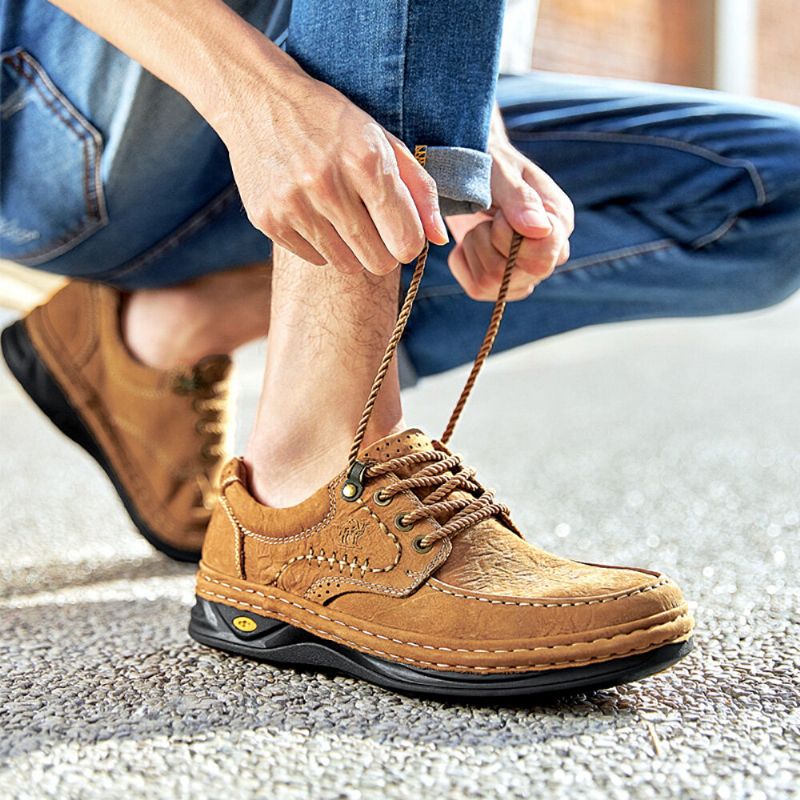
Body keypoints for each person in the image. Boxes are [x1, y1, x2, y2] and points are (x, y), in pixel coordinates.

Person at [1, 0, 798, 697]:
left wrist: (476, 147)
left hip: (332, 93)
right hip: (77, 108)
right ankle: (310, 471)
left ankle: (167, 329)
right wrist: (258, 101)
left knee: (776, 191)